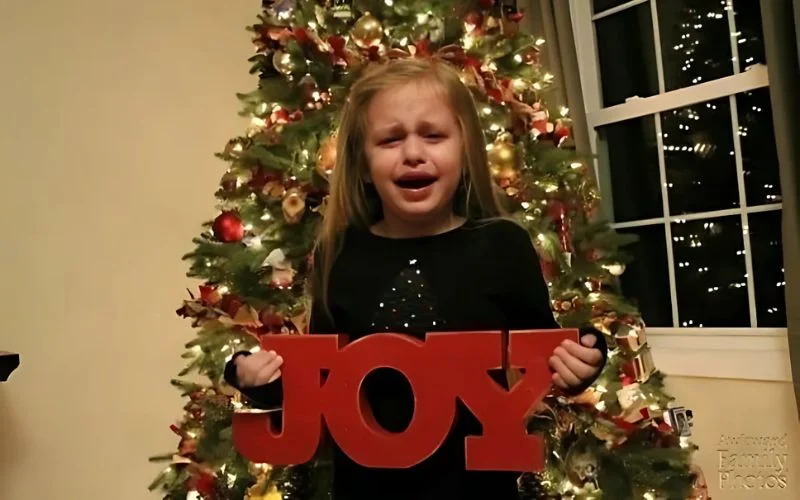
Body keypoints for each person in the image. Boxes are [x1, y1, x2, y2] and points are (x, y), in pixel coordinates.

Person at [224, 57, 607, 500]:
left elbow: (549, 354)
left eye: (433, 135)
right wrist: (254, 377)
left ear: (465, 152)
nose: (412, 153)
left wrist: (586, 356)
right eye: (390, 139)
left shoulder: (502, 247)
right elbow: (321, 385)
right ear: (364, 165)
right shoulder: (340, 254)